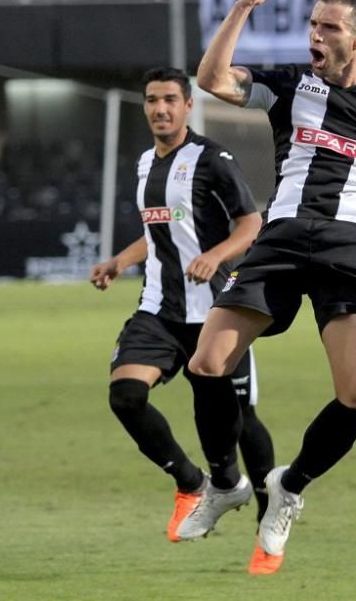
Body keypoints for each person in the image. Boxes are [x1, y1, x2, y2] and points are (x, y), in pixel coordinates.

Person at [175, 0, 356, 575]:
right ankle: (225, 484)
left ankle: (289, 485)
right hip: (281, 240)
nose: (315, 34)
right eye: (312, 24)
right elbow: (210, 81)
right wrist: (242, 6)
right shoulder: (290, 86)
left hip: (347, 251)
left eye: (329, 27)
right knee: (206, 363)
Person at [89, 67, 275, 546]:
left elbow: (251, 224)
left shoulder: (212, 159)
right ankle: (193, 482)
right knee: (125, 396)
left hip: (215, 311)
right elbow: (160, 233)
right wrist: (119, 260)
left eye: (170, 99)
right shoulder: (144, 164)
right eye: (152, 100)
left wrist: (214, 256)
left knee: (241, 419)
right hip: (159, 308)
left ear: (188, 104)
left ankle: (266, 514)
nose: (160, 109)